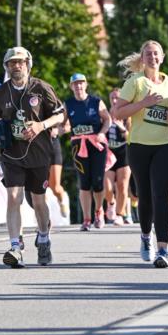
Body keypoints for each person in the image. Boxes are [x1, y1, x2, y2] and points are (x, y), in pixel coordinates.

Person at [0, 47, 65, 267]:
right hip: (11, 154)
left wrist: (41, 125)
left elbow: (59, 115)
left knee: (38, 201)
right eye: (11, 63)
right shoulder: (0, 92)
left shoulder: (41, 88)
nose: (16, 66)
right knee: (13, 197)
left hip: (39, 154)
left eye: (19, 62)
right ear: (7, 67)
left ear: (28, 64)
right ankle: (15, 247)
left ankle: (44, 238)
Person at [112, 40, 168, 268]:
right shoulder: (135, 82)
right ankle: (146, 237)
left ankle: (162, 248)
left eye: (156, 54)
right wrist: (143, 103)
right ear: (142, 59)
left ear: (162, 57)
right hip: (140, 146)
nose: (153, 57)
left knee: (162, 196)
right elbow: (117, 112)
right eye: (148, 54)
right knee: (145, 195)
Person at [63, 72, 111, 230]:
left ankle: (98, 211)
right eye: (75, 84)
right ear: (71, 87)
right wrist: (57, 130)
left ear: (86, 85)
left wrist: (102, 133)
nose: (78, 86)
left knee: (97, 182)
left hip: (97, 144)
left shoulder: (96, 102)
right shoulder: (68, 104)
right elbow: (64, 124)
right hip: (79, 146)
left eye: (81, 83)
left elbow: (107, 119)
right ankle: (86, 219)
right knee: (84, 183)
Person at [104, 88, 131, 225]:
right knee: (107, 187)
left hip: (124, 152)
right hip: (109, 153)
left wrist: (123, 128)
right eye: (112, 98)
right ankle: (111, 202)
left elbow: (132, 136)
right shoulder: (105, 114)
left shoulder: (127, 115)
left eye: (117, 98)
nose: (115, 101)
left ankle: (120, 215)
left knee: (122, 185)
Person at [47, 126, 70, 220]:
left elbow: (69, 125)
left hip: (53, 146)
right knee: (41, 188)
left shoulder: (58, 111)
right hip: (37, 149)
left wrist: (60, 130)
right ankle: (45, 219)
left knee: (55, 187)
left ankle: (62, 200)